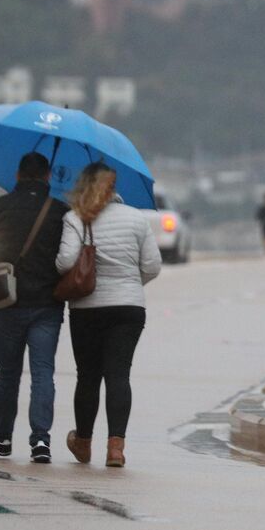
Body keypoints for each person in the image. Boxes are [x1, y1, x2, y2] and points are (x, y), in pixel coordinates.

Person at [56, 162, 162, 468]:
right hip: (129, 308)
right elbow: (153, 266)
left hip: (87, 309)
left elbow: (64, 262)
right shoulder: (136, 218)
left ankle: (84, 443)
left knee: (88, 376)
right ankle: (116, 448)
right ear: (114, 187)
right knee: (119, 375)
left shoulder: (76, 217)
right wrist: (130, 284)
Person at [0, 152, 69, 464]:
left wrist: (0, 267)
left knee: (8, 372)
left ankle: (2, 433)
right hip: (47, 305)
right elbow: (68, 259)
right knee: (43, 373)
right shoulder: (60, 212)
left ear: (17, 176)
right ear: (48, 177)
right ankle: (41, 440)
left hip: (7, 302)